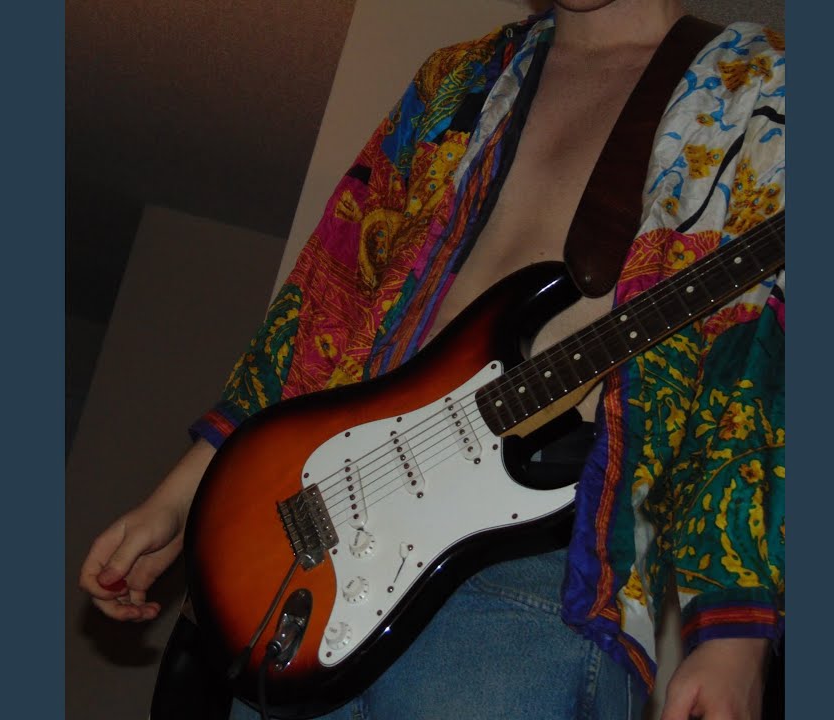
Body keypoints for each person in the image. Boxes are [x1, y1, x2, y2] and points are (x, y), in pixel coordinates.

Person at [78, 1, 785, 718]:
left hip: (535, 576)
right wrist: (181, 497)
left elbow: (756, 369)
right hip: (332, 548)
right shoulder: (458, 78)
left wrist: (736, 637)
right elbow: (328, 294)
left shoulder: (759, 84)